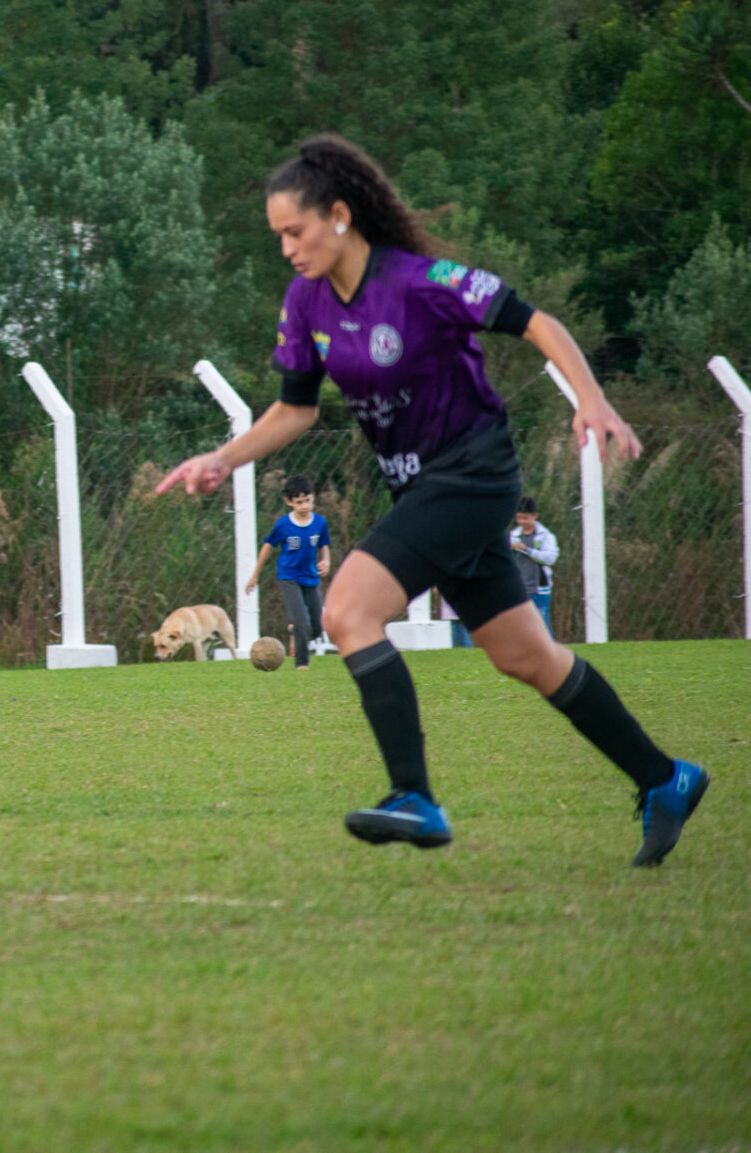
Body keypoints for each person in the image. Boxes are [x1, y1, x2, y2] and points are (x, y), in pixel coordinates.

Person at [157, 134, 707, 867]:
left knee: (348, 610)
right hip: (423, 488)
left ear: (341, 215)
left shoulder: (423, 281)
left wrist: (592, 399)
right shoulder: (306, 301)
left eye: (296, 231)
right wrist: (222, 458)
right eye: (278, 236)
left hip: (473, 475)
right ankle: (665, 778)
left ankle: (412, 795)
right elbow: (295, 410)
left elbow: (536, 320)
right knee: (526, 656)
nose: (287, 248)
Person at [245, 474, 332, 670]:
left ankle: (297, 633)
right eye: (299, 502)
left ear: (313, 497)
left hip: (311, 577)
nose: (304, 506)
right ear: (289, 502)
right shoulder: (283, 525)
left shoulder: (320, 523)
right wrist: (254, 575)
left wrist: (326, 561)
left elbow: (324, 545)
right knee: (301, 620)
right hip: (288, 576)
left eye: (308, 500)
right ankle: (302, 663)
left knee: (317, 627)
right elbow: (268, 546)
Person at [510, 496, 560, 635]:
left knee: (542, 625)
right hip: (519, 588)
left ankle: (551, 654)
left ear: (535, 516)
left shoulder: (545, 536)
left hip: (538, 589)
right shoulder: (513, 535)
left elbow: (550, 558)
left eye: (525, 518)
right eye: (519, 518)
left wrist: (528, 550)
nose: (521, 522)